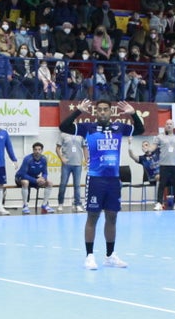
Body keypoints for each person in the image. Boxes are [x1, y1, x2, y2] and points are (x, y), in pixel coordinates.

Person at [60, 98, 145, 269]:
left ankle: (110, 256)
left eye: (106, 109)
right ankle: (89, 256)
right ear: (96, 112)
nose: (103, 112)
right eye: (100, 110)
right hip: (95, 179)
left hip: (113, 179)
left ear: (110, 112)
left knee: (112, 217)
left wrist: (133, 113)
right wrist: (78, 110)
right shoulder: (87, 128)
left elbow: (141, 129)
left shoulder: (119, 127)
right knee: (93, 216)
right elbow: (64, 126)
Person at [15, 142, 53, 214]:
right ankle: (25, 206)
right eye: (35, 150)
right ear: (33, 150)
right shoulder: (27, 159)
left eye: (39, 150)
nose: (37, 151)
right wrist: (35, 180)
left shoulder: (44, 159)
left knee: (49, 183)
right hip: (20, 177)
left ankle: (44, 205)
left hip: (34, 178)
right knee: (25, 182)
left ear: (42, 150)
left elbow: (45, 173)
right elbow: (23, 174)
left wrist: (43, 178)